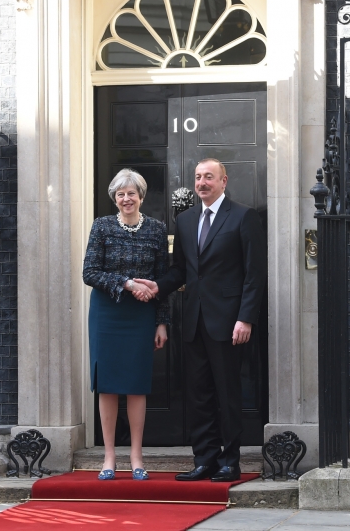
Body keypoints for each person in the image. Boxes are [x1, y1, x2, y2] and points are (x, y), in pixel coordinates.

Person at [135, 158, 266, 482]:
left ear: (224, 180)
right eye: (198, 177)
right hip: (193, 321)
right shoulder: (186, 219)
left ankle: (229, 460)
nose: (202, 182)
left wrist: (245, 318)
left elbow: (254, 274)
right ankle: (204, 458)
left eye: (209, 177)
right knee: (198, 395)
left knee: (227, 393)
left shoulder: (243, 216)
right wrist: (158, 286)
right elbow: (180, 269)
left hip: (228, 322)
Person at [82, 168, 170, 481]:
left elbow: (163, 281)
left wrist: (162, 322)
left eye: (131, 193)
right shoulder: (102, 226)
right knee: (107, 384)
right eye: (120, 193)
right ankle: (108, 456)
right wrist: (128, 283)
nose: (126, 198)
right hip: (108, 313)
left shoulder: (157, 230)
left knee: (135, 384)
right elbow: (89, 272)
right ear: (115, 198)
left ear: (141, 196)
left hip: (141, 316)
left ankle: (136, 455)